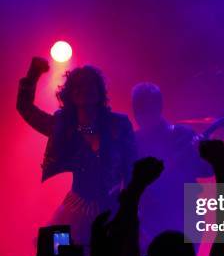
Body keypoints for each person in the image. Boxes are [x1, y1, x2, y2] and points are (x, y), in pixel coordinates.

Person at [16, 57, 136, 246]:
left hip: (113, 208)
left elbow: (132, 165)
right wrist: (33, 75)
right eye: (77, 86)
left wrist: (130, 202)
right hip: (76, 209)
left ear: (99, 92)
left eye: (89, 85)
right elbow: (26, 109)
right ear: (70, 94)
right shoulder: (63, 126)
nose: (83, 90)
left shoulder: (118, 124)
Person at [131, 82, 212, 246]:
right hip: (149, 216)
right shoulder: (134, 140)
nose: (142, 116)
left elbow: (207, 170)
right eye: (139, 111)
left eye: (147, 110)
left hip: (183, 214)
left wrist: (203, 153)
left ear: (159, 108)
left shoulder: (182, 134)